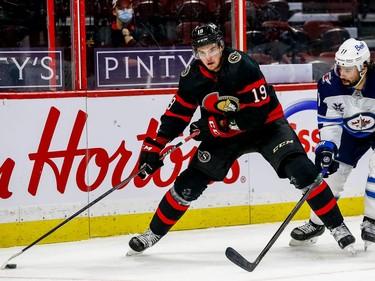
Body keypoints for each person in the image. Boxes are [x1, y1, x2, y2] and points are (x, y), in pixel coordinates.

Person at [127, 22, 356, 256]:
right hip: (224, 136)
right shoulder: (192, 76)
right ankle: (152, 233)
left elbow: (256, 116)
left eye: (212, 50)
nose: (208, 57)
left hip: (267, 127)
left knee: (303, 171)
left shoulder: (242, 66)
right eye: (202, 52)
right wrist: (154, 146)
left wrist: (215, 126)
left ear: (221, 46)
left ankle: (338, 226)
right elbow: (177, 114)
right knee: (188, 184)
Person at [290, 38, 375, 250]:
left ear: (363, 67)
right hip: (348, 133)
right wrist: (327, 146)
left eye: (347, 69)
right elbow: (330, 122)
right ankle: (317, 223)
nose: (341, 73)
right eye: (340, 67)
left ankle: (372, 220)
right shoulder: (329, 84)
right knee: (333, 177)